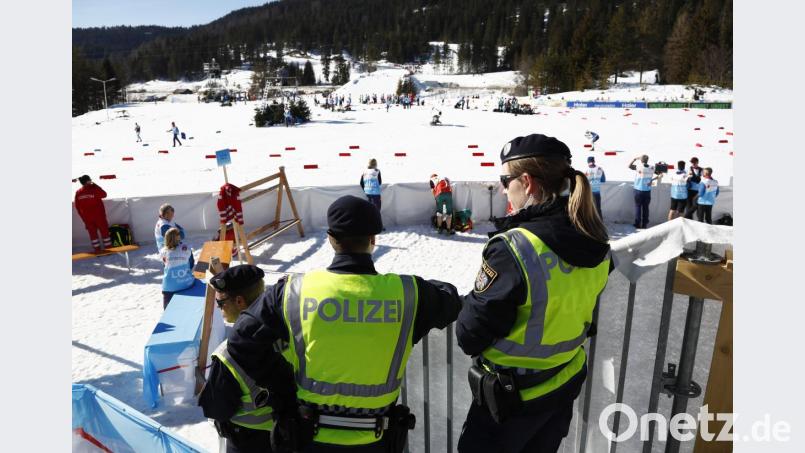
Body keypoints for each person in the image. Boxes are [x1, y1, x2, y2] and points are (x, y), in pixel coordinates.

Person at [219, 195, 461, 452]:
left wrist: (284, 385)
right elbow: (452, 301)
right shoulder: (408, 294)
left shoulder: (295, 291)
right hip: (376, 439)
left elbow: (240, 341)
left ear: (331, 239)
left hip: (309, 436)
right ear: (373, 240)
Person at [455, 134, 611, 453]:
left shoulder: (515, 247)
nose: (502, 189)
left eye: (505, 180)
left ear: (526, 182)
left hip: (510, 403)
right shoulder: (593, 237)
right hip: (560, 387)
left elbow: (469, 335)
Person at [198, 265, 276, 453]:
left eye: (221, 303)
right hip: (289, 435)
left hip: (248, 443)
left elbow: (216, 409)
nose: (219, 308)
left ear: (239, 301)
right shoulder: (290, 332)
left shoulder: (228, 355)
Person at [74, 175, 113, 253]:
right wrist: (95, 185)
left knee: (93, 235)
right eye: (90, 180)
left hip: (87, 218)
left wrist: (83, 218)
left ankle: (97, 250)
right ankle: (108, 249)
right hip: (99, 216)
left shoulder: (78, 192)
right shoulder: (94, 189)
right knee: (104, 232)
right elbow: (104, 194)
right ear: (88, 181)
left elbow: (77, 207)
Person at [159, 228, 196, 309]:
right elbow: (191, 265)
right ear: (178, 237)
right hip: (186, 283)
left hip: (169, 287)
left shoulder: (163, 251)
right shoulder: (186, 248)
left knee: (168, 313)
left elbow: (165, 266)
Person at [628, 154, 656, 229]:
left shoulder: (639, 167)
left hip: (638, 189)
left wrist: (634, 159)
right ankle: (644, 224)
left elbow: (629, 166)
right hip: (647, 190)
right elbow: (658, 173)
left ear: (641, 160)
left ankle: (637, 223)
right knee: (646, 207)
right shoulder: (652, 168)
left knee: (638, 207)